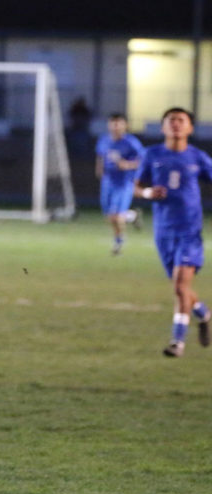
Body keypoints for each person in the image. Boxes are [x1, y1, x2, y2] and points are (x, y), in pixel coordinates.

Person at [134, 107, 212, 357]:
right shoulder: (152, 155)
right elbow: (135, 186)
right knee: (182, 289)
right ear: (163, 127)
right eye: (171, 121)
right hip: (163, 232)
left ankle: (177, 342)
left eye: (181, 121)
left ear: (190, 128)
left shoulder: (198, 157)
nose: (176, 125)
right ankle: (204, 313)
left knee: (180, 287)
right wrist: (147, 193)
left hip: (190, 232)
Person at [95, 113, 145, 254]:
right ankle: (133, 215)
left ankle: (119, 242)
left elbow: (143, 161)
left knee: (116, 216)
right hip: (108, 182)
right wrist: (99, 170)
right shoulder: (104, 140)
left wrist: (127, 165)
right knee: (109, 216)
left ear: (125, 125)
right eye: (113, 123)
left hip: (124, 183)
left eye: (119, 123)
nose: (115, 126)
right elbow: (100, 156)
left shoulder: (131, 142)